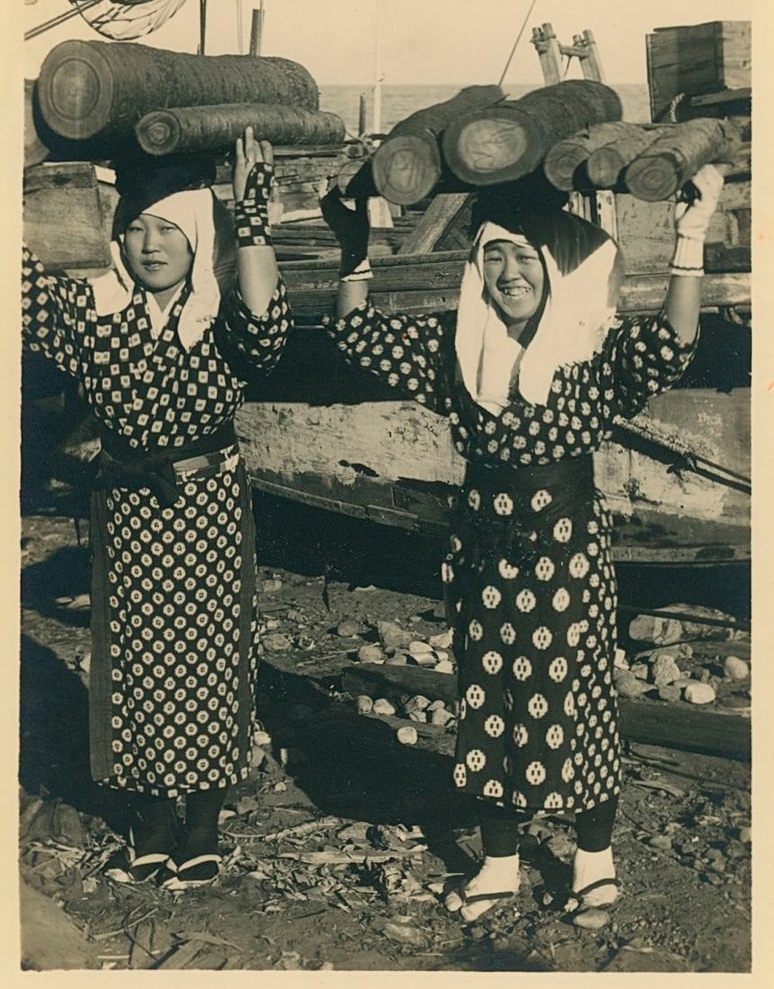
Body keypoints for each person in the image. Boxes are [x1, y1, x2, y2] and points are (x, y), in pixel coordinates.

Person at [320, 162, 724, 923]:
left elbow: (673, 342)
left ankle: (593, 861)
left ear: (558, 268)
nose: (508, 272)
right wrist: (356, 253)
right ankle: (499, 863)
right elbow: (356, 336)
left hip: (566, 553)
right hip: (481, 553)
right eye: (493, 255)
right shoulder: (461, 355)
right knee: (489, 698)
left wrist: (689, 240)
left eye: (526, 256)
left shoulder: (587, 360)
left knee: (577, 699)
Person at [22, 128, 291, 890]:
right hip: (129, 511)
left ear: (197, 235)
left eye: (168, 228)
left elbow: (268, 324)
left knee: (207, 661)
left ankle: (202, 828)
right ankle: (149, 825)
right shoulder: (94, 314)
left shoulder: (224, 320)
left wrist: (254, 221)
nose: (148, 244)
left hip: (205, 506)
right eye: (135, 227)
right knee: (135, 662)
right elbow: (18, 280)